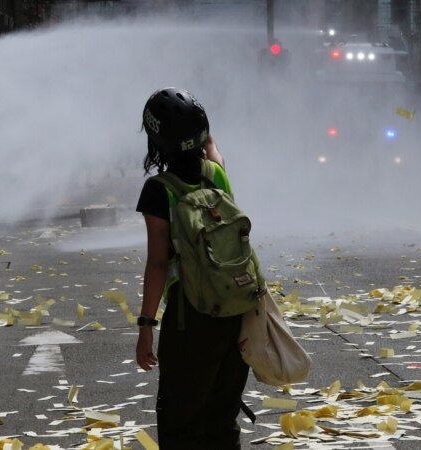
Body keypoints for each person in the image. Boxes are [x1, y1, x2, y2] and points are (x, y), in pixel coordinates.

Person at [135, 87, 246, 450]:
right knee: (222, 420)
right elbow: (214, 151)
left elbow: (157, 264)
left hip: (189, 316)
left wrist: (146, 326)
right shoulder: (217, 175)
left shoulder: (158, 190)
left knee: (180, 424)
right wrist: (205, 130)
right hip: (233, 312)